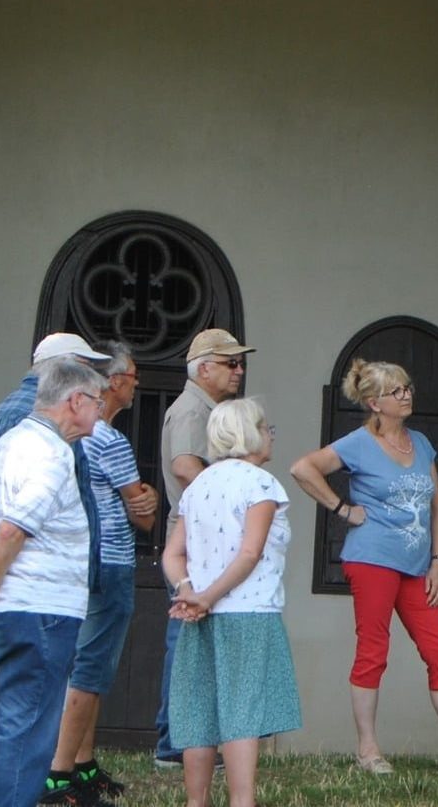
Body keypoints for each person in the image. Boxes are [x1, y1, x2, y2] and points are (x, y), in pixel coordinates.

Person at [288, 359, 438, 773]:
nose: (406, 395)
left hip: (417, 567)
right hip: (372, 560)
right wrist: (342, 508)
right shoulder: (356, 443)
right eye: (396, 391)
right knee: (374, 650)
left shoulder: (422, 443)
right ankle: (368, 751)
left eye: (407, 387)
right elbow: (302, 469)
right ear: (374, 403)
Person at [0, 357, 106, 807]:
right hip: (38, 611)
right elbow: (11, 529)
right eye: (96, 401)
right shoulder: (53, 453)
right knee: (28, 736)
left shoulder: (6, 442)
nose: (100, 410)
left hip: (1, 610)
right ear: (75, 401)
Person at [161, 399, 301, 807]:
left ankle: (195, 801)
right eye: (265, 426)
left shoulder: (199, 485)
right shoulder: (260, 484)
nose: (270, 433)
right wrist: (205, 596)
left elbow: (172, 554)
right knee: (243, 712)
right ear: (249, 433)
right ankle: (243, 801)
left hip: (200, 616)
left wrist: (189, 592)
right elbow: (249, 553)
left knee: (199, 707)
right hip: (248, 612)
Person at [45, 343, 160, 804]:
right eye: (132, 376)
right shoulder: (108, 439)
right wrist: (143, 501)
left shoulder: (71, 435)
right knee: (91, 669)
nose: (136, 384)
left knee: (84, 663)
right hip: (110, 559)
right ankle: (59, 774)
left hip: (79, 560)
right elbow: (144, 512)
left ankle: (83, 761)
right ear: (112, 382)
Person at [153, 326, 254, 768]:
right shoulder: (194, 409)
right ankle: (176, 742)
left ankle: (183, 740)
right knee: (187, 641)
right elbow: (183, 466)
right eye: (231, 363)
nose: (239, 370)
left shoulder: (209, 407)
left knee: (193, 640)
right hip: (194, 541)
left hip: (200, 539)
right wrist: (229, 498)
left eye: (240, 362)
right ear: (204, 367)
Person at [0, 334, 113, 483]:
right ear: (62, 371)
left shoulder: (7, 410)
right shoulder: (45, 414)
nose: (91, 376)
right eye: (85, 368)